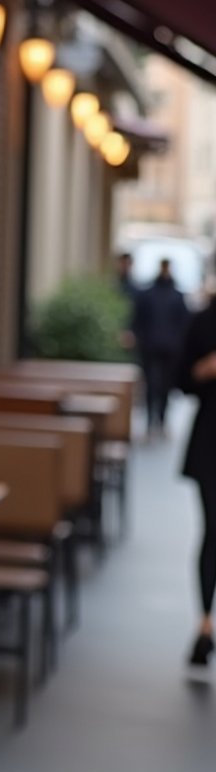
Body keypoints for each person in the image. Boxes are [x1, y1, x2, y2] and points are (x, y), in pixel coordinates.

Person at [179, 290, 216, 672]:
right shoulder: (204, 319)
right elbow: (181, 379)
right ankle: (204, 623)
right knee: (213, 532)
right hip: (211, 442)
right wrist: (203, 371)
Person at [133, 258, 191, 437]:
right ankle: (151, 423)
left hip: (170, 349)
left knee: (166, 387)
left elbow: (184, 324)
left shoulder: (177, 296)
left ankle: (162, 420)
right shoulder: (148, 294)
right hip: (150, 347)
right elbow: (138, 320)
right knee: (151, 386)